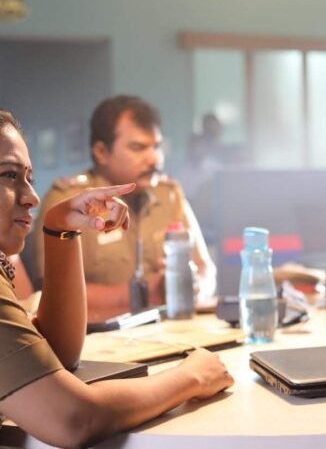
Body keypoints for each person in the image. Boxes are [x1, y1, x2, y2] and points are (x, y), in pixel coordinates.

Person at [0, 109, 234, 446]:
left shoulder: (170, 193)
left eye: (28, 178)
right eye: (9, 175)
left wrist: (60, 229)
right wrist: (191, 377)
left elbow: (57, 354)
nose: (31, 197)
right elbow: (72, 418)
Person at [33, 95, 217, 322]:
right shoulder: (69, 202)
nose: (154, 159)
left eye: (157, 146)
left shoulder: (168, 195)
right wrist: (145, 293)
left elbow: (205, 268)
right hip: (98, 336)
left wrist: (194, 284)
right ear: (101, 152)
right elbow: (51, 293)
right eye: (138, 147)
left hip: (169, 329)